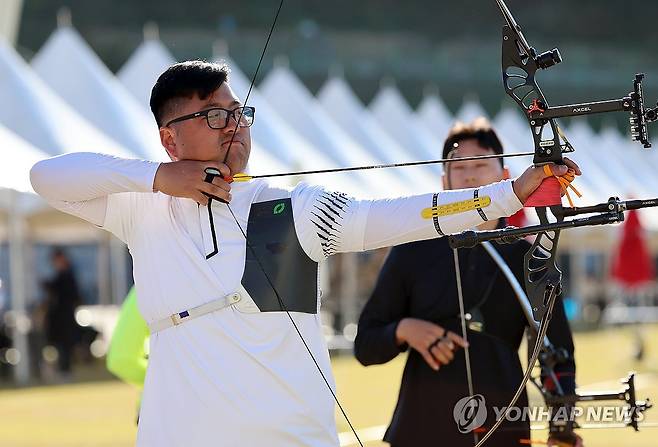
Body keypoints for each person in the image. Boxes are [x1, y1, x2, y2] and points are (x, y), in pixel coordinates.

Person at [30, 60, 579, 446]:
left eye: (239, 112)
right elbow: (46, 177)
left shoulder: (292, 208)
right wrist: (161, 178)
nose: (236, 126)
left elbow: (398, 214)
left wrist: (511, 193)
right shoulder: (140, 209)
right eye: (215, 116)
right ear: (170, 138)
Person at [354, 118, 582, 447]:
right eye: (458, 167)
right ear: (443, 179)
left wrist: (562, 431)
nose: (470, 174)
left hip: (502, 427)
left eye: (482, 164)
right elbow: (366, 344)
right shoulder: (412, 248)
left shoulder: (529, 256)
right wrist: (405, 330)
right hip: (420, 428)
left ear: (505, 177)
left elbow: (557, 353)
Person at [43, 248, 81, 378]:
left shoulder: (67, 275)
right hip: (60, 318)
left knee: (65, 345)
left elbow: (71, 296)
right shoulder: (62, 275)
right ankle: (63, 369)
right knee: (61, 345)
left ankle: (65, 370)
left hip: (65, 317)